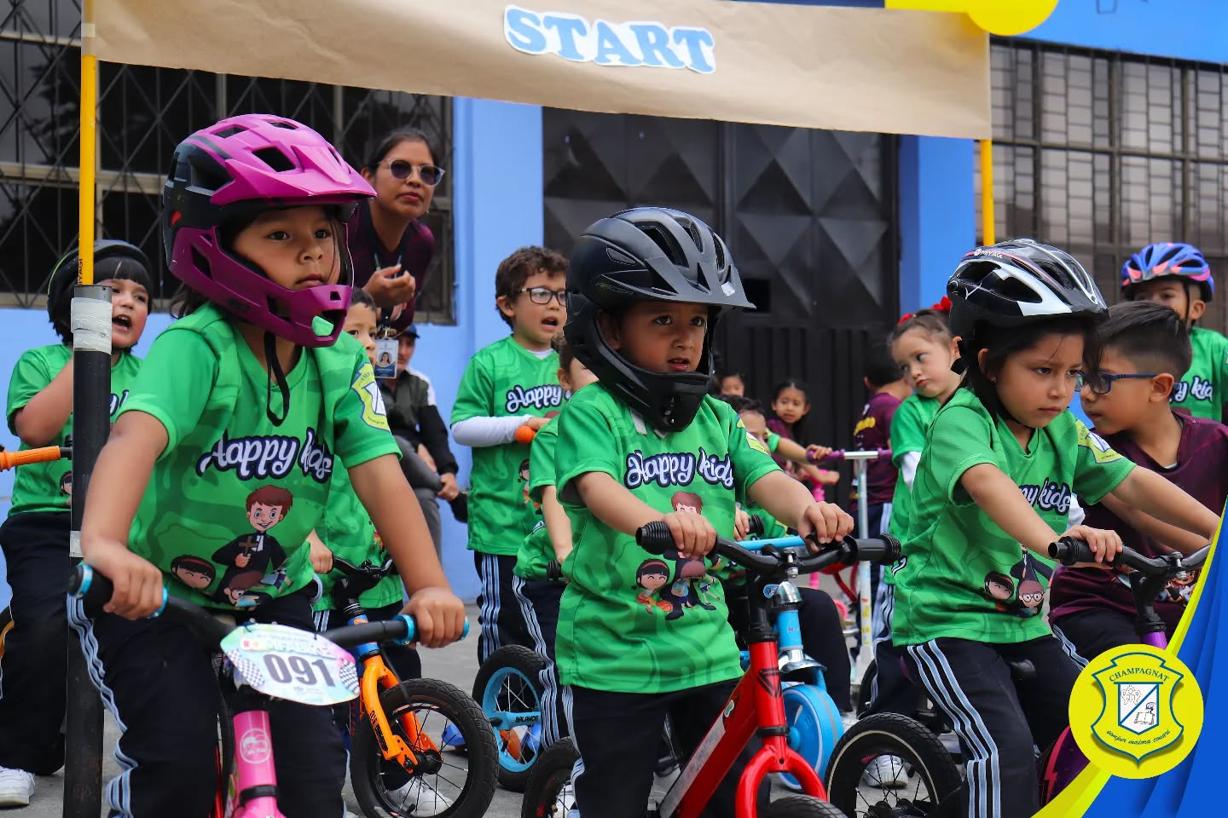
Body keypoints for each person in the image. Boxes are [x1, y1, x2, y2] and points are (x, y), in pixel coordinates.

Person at [68, 115, 465, 818]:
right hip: (155, 596)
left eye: (323, 233)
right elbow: (131, 441)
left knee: (313, 778)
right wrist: (104, 546)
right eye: (280, 235)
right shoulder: (198, 348)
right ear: (214, 246)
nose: (311, 251)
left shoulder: (337, 360)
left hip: (277, 598)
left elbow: (380, 471)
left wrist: (429, 584)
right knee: (179, 767)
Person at [889, 239, 1220, 818]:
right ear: (987, 362)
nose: (1063, 391)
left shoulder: (1061, 430)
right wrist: (1053, 542)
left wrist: (1219, 530)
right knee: (1006, 750)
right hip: (946, 623)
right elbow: (989, 484)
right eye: (1043, 371)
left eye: (1073, 374)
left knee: (1100, 727)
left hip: (1025, 622)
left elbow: (1132, 484)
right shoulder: (962, 420)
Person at [556, 207, 854, 818]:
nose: (685, 337)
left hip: (708, 650)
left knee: (731, 793)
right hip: (616, 656)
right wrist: (655, 522)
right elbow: (596, 486)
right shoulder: (594, 412)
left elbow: (764, 476)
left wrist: (809, 510)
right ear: (610, 328)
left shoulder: (718, 418)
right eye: (662, 319)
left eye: (697, 321)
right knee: (615, 799)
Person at [0, 241, 151, 807]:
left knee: (147, 631)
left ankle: (156, 753)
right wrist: (89, 351)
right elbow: (35, 428)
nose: (127, 303)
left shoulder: (151, 374)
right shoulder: (41, 362)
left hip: (121, 528)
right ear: (73, 303)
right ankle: (17, 754)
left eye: (140, 296)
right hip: (46, 522)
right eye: (110, 292)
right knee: (42, 628)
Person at [1049, 301, 1228, 659]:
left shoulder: (1217, 442)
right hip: (1104, 607)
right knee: (1139, 680)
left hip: (1193, 615)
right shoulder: (1092, 449)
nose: (1087, 393)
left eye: (1102, 380)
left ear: (1160, 387)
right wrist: (1219, 548)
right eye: (1082, 377)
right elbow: (1142, 515)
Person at [451, 246, 569, 663]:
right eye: (540, 293)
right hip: (502, 526)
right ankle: (496, 701)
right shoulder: (490, 363)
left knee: (557, 624)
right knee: (505, 622)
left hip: (562, 529)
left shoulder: (574, 364)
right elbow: (462, 427)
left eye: (562, 295)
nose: (554, 304)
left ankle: (547, 700)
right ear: (507, 305)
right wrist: (516, 426)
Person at [722, 398, 854, 714]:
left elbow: (790, 529)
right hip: (717, 595)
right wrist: (724, 514)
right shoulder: (714, 490)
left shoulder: (772, 496)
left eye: (762, 437)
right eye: (747, 436)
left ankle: (837, 712)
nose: (756, 443)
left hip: (763, 591)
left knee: (819, 606)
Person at [512, 332, 598, 747]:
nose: (602, 376)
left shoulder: (624, 428)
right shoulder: (556, 433)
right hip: (551, 572)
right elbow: (551, 494)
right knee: (562, 665)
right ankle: (556, 758)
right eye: (590, 368)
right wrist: (565, 554)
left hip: (603, 569)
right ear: (565, 378)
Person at [1120, 241, 1228, 420]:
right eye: (1142, 297)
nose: (1152, 304)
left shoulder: (1216, 349)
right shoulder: (1121, 351)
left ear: (1196, 309)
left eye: (1166, 295)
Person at [380, 323, 464, 552]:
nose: (403, 351)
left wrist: (448, 472)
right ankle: (455, 497)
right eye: (397, 343)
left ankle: (434, 574)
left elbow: (434, 432)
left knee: (425, 497)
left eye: (409, 344)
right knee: (396, 444)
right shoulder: (365, 377)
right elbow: (379, 430)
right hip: (372, 463)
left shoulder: (420, 383)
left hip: (408, 470)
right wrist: (416, 445)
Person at [350, 127, 443, 331]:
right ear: (367, 177)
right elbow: (310, 318)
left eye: (427, 173)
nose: (415, 180)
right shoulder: (343, 227)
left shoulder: (421, 243)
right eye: (400, 168)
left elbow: (399, 324)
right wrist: (366, 298)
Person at [767, 377, 838, 500]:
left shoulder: (795, 433)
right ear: (774, 404)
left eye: (796, 403)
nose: (789, 408)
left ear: (805, 408)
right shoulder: (773, 427)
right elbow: (797, 457)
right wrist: (820, 476)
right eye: (784, 402)